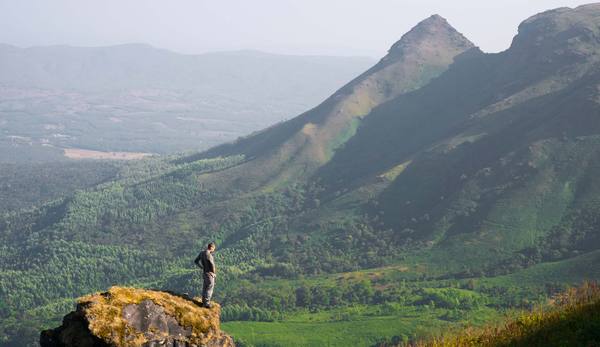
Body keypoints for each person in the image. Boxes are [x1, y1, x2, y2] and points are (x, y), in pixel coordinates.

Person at [194, 242, 217, 308]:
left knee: (205, 287)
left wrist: (202, 267)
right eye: (214, 249)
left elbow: (196, 261)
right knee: (210, 288)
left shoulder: (202, 253)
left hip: (204, 273)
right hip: (209, 274)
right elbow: (212, 264)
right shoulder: (209, 255)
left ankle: (203, 302)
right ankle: (206, 303)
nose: (214, 250)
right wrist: (213, 273)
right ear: (211, 247)